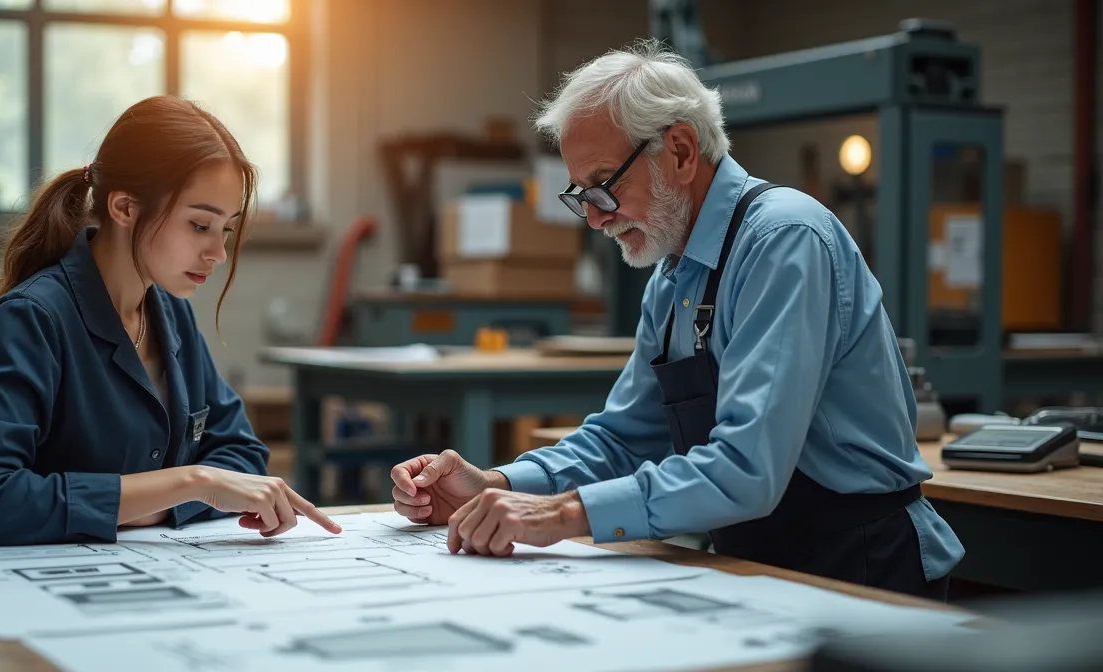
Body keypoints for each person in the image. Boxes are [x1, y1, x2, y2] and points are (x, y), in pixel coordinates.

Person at [390, 41, 962, 600]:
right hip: (759, 560)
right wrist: (500, 483)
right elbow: (624, 439)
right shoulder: (674, 274)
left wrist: (561, 514)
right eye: (579, 194)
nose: (593, 218)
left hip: (858, 564)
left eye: (604, 187)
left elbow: (747, 469)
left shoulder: (783, 242)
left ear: (682, 152)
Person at [0, 95, 340, 546]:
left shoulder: (171, 315)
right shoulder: (34, 318)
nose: (218, 253)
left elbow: (241, 454)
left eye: (225, 229)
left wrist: (158, 502)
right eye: (200, 225)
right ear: (124, 208)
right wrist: (190, 484)